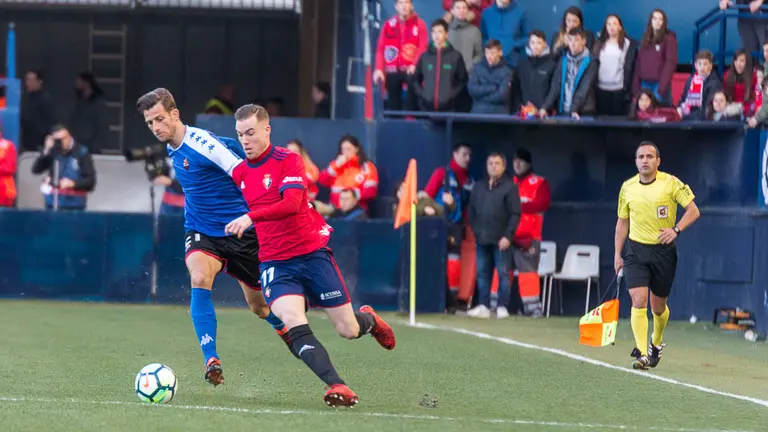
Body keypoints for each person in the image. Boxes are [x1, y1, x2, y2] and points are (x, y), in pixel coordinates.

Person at [224, 104, 396, 408]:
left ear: (267, 130)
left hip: (311, 254)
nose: (245, 140)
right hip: (276, 263)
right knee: (291, 319)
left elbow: (291, 204)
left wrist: (251, 217)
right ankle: (337, 385)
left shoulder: (288, 160)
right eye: (240, 135)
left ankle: (370, 320)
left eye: (250, 133)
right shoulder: (239, 172)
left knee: (348, 330)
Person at [135, 88, 290, 387]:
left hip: (238, 231)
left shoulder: (202, 143)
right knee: (198, 277)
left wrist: (265, 211)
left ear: (175, 114)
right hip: (201, 230)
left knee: (260, 307)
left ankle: (284, 328)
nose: (155, 127)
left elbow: (242, 172)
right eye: (150, 123)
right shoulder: (171, 145)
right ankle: (211, 359)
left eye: (159, 119)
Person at [614, 141, 700, 370]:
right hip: (635, 250)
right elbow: (622, 222)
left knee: (658, 307)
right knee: (638, 299)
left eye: (650, 156)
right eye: (641, 156)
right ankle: (641, 353)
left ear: (658, 161)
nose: (645, 160)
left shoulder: (671, 183)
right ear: (635, 161)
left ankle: (656, 342)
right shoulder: (627, 187)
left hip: (663, 252)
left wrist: (676, 230)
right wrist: (617, 253)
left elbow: (693, 210)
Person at [466, 153, 521, 319]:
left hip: (501, 240)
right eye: (490, 163)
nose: (493, 166)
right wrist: (476, 230)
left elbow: (515, 214)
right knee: (482, 273)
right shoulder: (479, 186)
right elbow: (472, 211)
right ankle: (483, 305)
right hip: (482, 238)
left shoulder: (510, 187)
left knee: (503, 273)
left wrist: (507, 236)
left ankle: (502, 307)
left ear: (504, 166)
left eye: (497, 163)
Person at [31, 125, 96, 211]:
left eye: (63, 139)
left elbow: (90, 181)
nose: (61, 142)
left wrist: (73, 184)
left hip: (74, 205)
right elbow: (36, 170)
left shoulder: (81, 152)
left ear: (69, 136)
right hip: (52, 202)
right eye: (57, 140)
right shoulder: (53, 152)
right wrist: (46, 150)